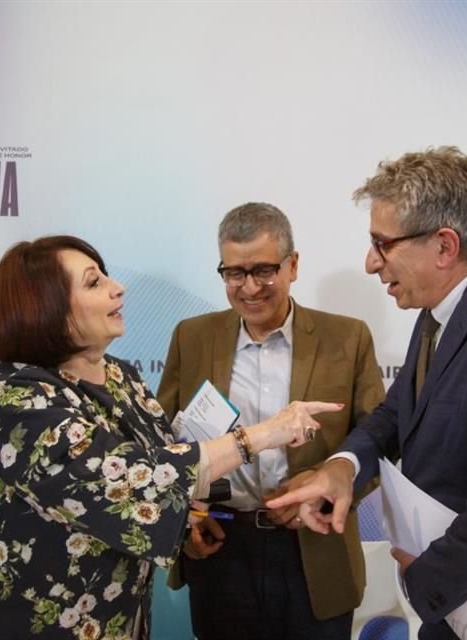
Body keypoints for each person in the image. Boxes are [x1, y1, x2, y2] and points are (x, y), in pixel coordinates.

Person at [0, 235, 339, 640]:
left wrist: (192, 515)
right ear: (46, 306)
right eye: (94, 282)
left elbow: (166, 455)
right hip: (23, 621)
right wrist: (262, 435)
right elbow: (127, 479)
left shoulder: (119, 375)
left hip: (112, 619)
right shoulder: (19, 400)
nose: (117, 288)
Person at [268, 148, 467, 640]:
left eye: (382, 244)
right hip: (461, 601)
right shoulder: (439, 314)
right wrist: (343, 467)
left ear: (444, 246)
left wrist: (422, 579)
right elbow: (397, 413)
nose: (370, 263)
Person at [157, 203, 385, 640]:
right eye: (234, 273)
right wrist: (187, 517)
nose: (249, 287)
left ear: (292, 265)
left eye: (263, 270)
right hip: (222, 547)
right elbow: (165, 443)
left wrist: (325, 490)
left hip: (315, 550)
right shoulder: (192, 337)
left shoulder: (347, 338)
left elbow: (377, 439)